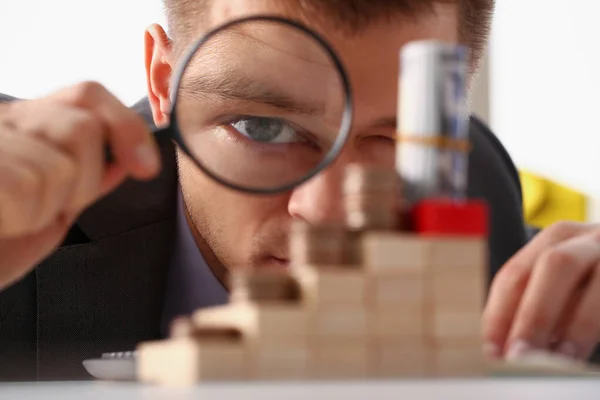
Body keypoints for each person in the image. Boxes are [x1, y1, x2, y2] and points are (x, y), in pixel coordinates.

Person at [0, 0, 598, 381]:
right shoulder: (18, 202)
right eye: (263, 127)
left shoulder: (479, 208)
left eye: (398, 139)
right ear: (165, 82)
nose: (328, 210)